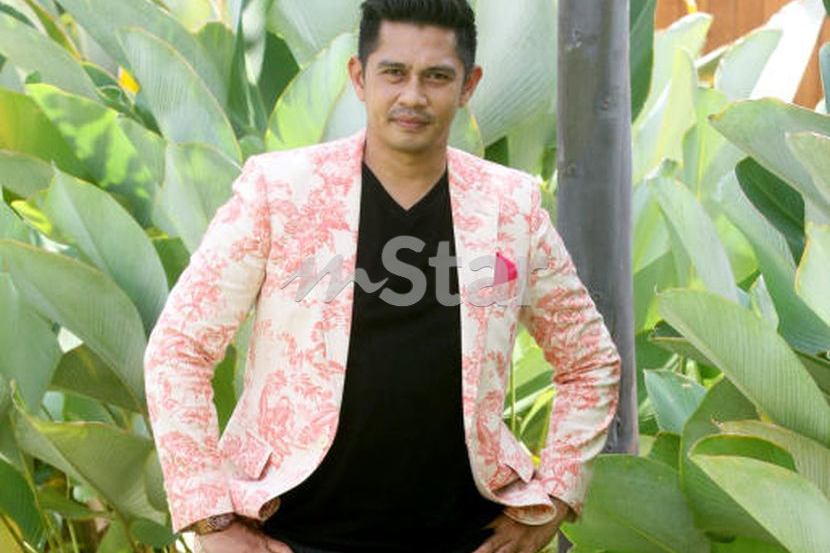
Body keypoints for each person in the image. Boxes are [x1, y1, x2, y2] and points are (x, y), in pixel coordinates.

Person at [143, 1, 621, 552]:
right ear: (359, 77)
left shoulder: (510, 207)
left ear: (468, 85)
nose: (412, 96)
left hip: (466, 536)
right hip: (294, 534)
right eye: (394, 72)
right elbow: (179, 348)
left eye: (436, 77)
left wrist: (555, 498)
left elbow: (590, 361)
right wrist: (213, 521)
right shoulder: (281, 193)